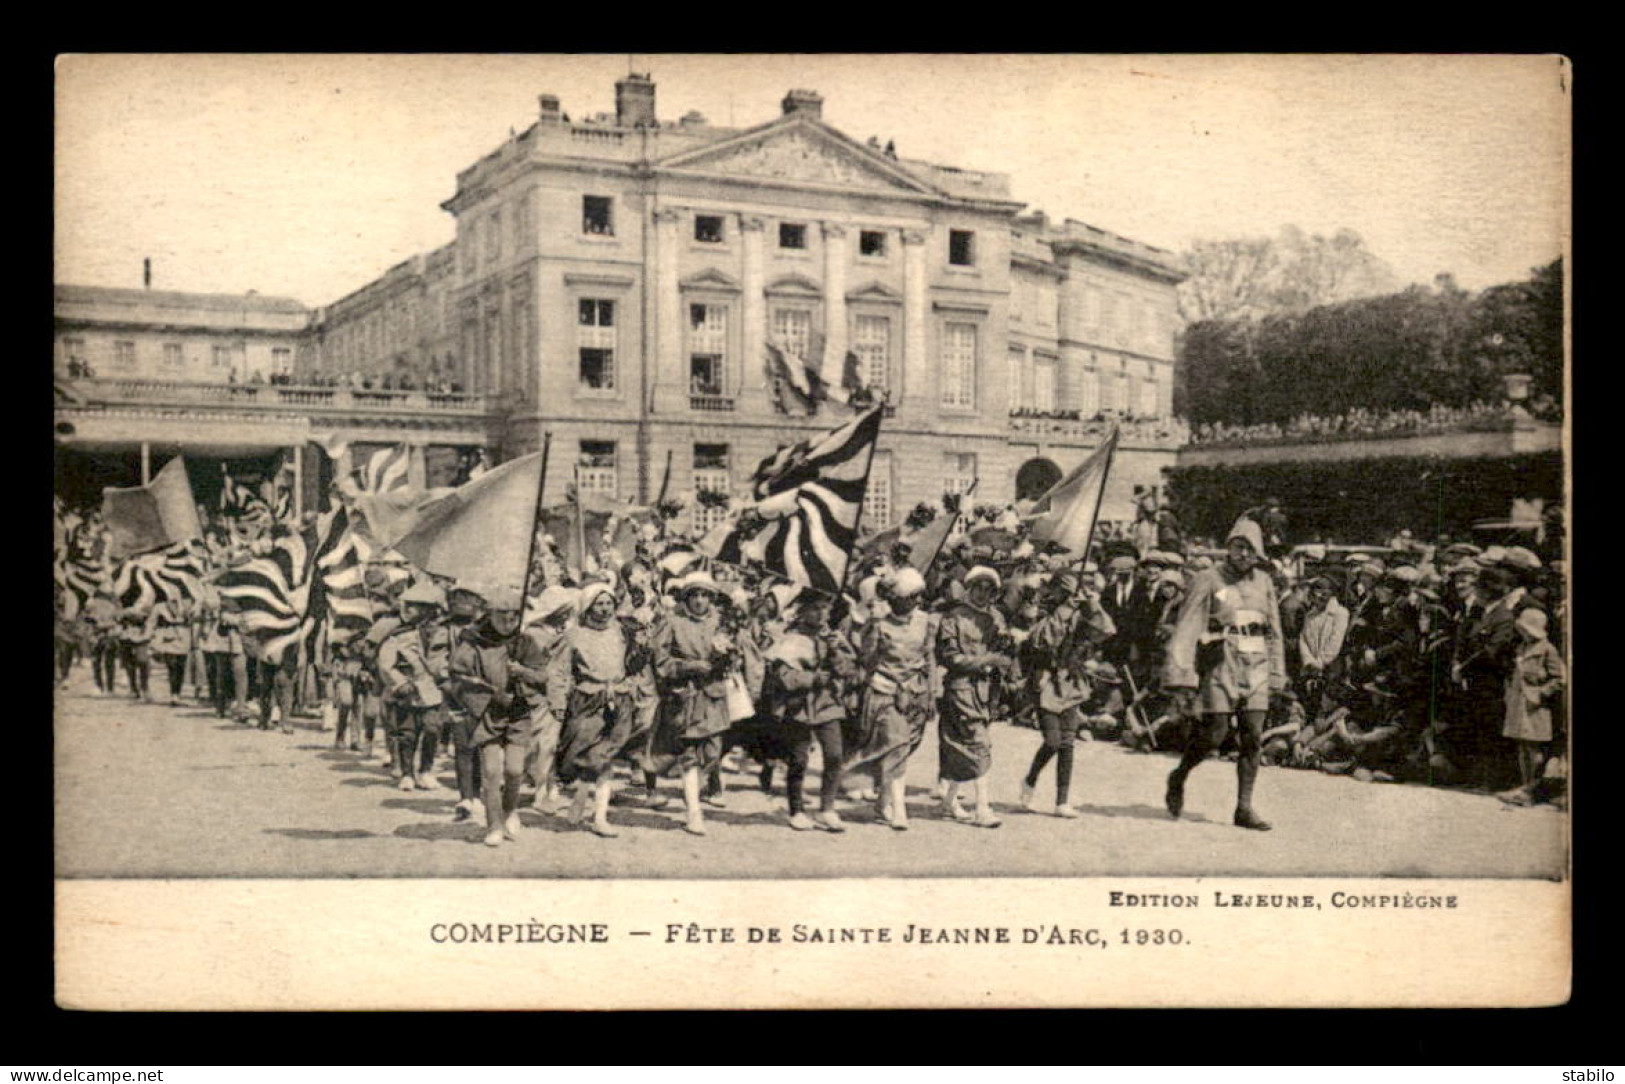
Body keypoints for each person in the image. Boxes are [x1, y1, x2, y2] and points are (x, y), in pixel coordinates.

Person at [1162, 516, 1286, 831]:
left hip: (1256, 663)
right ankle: (1179, 775)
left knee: (1253, 736)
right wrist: (1182, 672)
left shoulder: (1264, 582)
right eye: (1238, 546)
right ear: (1229, 547)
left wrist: (1277, 670)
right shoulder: (1209, 578)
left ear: (1258, 552)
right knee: (1214, 734)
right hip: (1222, 662)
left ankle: (1243, 807)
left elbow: (1274, 630)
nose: (1243, 554)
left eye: (1250, 549)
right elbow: (1188, 624)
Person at [450, 584, 549, 846]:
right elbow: (459, 677)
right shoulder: (473, 642)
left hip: (518, 712)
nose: (508, 621)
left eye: (514, 616)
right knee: (492, 771)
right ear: (489, 614)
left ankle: (510, 810)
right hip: (487, 713)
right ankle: (493, 824)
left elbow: (542, 675)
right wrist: (490, 694)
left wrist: (522, 672)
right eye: (501, 615)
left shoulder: (525, 642)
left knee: (515, 770)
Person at [848, 567, 939, 831]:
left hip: (915, 694)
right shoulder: (880, 622)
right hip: (884, 691)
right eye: (910, 597)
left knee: (904, 748)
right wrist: (872, 626)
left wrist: (932, 692)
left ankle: (882, 801)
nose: (916, 601)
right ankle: (900, 810)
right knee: (897, 744)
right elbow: (865, 658)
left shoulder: (926, 622)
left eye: (918, 596)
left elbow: (929, 658)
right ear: (897, 598)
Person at [1019, 571, 1114, 816]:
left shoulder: (1082, 615)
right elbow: (1042, 641)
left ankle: (1062, 800)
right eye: (1067, 591)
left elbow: (1106, 631)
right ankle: (1030, 778)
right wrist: (1063, 612)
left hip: (1071, 683)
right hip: (1046, 682)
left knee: (1068, 742)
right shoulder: (1043, 611)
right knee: (1052, 741)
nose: (1072, 597)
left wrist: (1092, 605)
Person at [650, 571, 738, 836]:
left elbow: (733, 659)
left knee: (712, 752)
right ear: (686, 597)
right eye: (695, 595)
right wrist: (688, 667)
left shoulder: (720, 623)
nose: (700, 601)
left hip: (712, 695)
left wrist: (727, 658)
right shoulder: (672, 622)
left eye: (705, 595)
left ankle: (695, 792)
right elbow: (661, 661)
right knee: (689, 754)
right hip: (685, 696)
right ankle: (694, 812)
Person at [547, 580, 637, 838]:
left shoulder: (621, 631)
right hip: (586, 700)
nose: (605, 609)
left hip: (618, 699)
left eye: (609, 603)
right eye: (599, 604)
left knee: (605, 756)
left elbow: (631, 662)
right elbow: (559, 671)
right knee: (583, 753)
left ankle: (599, 816)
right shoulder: (573, 635)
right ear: (588, 607)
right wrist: (557, 702)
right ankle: (580, 795)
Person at [762, 591, 854, 832]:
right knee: (798, 759)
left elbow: (847, 671)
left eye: (825, 608)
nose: (822, 613)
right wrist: (812, 678)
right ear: (802, 611)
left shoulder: (833, 638)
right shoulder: (791, 640)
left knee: (835, 755)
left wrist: (834, 652)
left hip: (827, 703)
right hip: (799, 705)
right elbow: (784, 677)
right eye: (815, 608)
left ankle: (827, 809)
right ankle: (797, 809)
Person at [377, 581, 454, 791]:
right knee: (407, 733)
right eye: (407, 605)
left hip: (434, 690)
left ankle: (426, 770)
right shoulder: (399, 634)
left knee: (432, 729)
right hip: (408, 691)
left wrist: (447, 677)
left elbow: (453, 658)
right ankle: (407, 773)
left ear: (430, 610)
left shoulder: (447, 634)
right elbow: (386, 663)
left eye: (415, 605)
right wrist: (400, 682)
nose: (408, 610)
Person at [1498, 608, 1565, 805]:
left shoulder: (1547, 649)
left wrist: (1541, 693)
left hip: (1535, 707)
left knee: (1534, 749)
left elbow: (1560, 678)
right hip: (1518, 704)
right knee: (1521, 746)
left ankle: (1533, 790)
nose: (1523, 633)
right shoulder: (1522, 647)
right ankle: (1524, 786)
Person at [522, 585, 579, 812]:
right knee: (542, 745)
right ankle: (539, 792)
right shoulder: (534, 635)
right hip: (540, 694)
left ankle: (548, 786)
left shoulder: (560, 633)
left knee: (552, 743)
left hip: (559, 693)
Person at [442, 586, 488, 821]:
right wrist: (445, 681)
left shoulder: (488, 630)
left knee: (480, 746)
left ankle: (477, 794)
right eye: (458, 600)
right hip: (456, 692)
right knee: (463, 745)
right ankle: (465, 796)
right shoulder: (444, 630)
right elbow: (437, 657)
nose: (463, 605)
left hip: (483, 695)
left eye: (468, 600)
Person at [148, 596, 194, 706]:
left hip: (183, 637)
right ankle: (173, 695)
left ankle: (177, 693)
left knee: (180, 667)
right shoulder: (160, 606)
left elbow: (192, 619)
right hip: (168, 637)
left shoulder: (187, 603)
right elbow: (151, 621)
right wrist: (152, 636)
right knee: (172, 666)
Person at [84, 589, 122, 694]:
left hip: (105, 634)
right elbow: (89, 620)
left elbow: (118, 620)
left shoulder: (111, 605)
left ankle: (103, 686)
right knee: (104, 661)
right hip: (101, 634)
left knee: (101, 661)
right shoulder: (94, 605)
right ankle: (106, 687)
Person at [119, 605, 153, 701]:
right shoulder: (121, 598)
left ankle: (145, 688)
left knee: (143, 661)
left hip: (141, 636)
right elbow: (117, 617)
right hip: (126, 637)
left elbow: (148, 617)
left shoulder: (147, 598)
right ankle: (133, 688)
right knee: (129, 665)